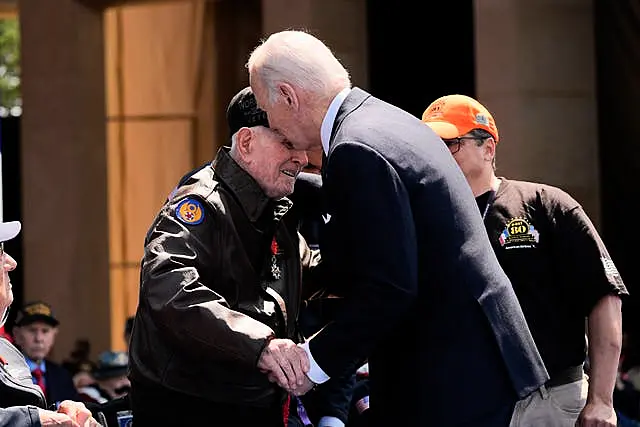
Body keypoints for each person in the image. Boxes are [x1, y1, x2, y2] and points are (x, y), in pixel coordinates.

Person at [247, 30, 549, 426]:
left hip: (447, 374)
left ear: (288, 96)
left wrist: (312, 362)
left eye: (266, 109)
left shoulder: (355, 149)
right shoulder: (385, 120)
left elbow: (389, 285)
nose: (271, 123)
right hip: (472, 360)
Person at [422, 94, 629, 427]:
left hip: (549, 399)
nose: (438, 153)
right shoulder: (424, 220)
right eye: (429, 144)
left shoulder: (546, 204)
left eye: (451, 142)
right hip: (460, 400)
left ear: (488, 148)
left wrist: (602, 400)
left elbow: (603, 296)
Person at [128, 86, 313, 426]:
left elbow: (310, 272)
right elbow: (169, 289)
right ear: (245, 142)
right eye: (289, 143)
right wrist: (261, 345)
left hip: (252, 405)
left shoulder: (277, 208)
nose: (302, 158)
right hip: (192, 409)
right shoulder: (200, 205)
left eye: (304, 147)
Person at [0, 220, 100, 426]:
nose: (11, 263)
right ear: (17, 333)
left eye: (45, 330)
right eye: (0, 251)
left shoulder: (9, 353)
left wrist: (67, 413)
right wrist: (37, 419)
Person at [12, 301, 80, 405]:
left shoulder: (62, 376)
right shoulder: (6, 375)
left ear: (54, 335)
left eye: (45, 331)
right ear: (17, 335)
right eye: (32, 330)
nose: (39, 339)